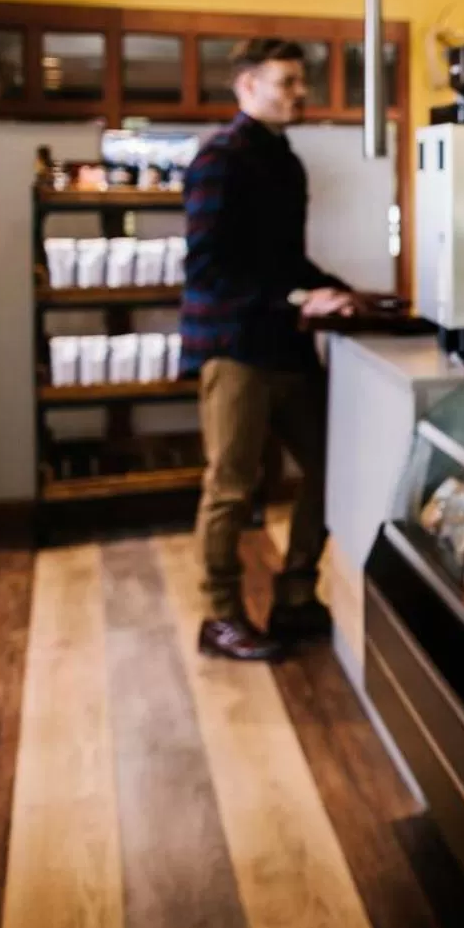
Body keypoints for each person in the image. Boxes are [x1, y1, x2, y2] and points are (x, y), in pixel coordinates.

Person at [181, 38, 357, 661]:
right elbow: (206, 268)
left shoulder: (286, 163)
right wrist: (294, 299)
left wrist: (337, 291)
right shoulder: (218, 160)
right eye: (285, 81)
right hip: (235, 349)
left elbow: (285, 261)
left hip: (286, 347)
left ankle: (295, 596)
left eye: (300, 81)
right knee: (231, 486)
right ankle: (221, 615)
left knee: (329, 469)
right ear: (247, 86)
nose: (298, 92)